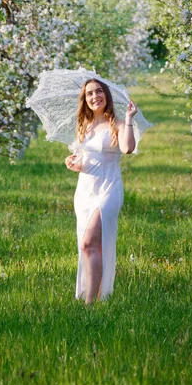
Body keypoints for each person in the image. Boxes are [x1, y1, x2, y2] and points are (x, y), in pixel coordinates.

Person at [65, 79, 137, 304]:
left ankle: (89, 303)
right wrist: (72, 163)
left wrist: (129, 119)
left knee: (89, 242)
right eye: (89, 94)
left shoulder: (117, 123)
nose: (95, 96)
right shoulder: (84, 127)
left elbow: (127, 148)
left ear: (106, 95)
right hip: (85, 190)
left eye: (99, 92)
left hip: (108, 189)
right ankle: (94, 297)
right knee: (88, 246)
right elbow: (84, 162)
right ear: (85, 100)